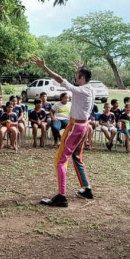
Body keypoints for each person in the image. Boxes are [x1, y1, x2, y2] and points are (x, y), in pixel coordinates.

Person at [30, 56, 94, 207]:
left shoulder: (80, 91)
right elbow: (77, 79)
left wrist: (44, 68)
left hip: (75, 127)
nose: (75, 78)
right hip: (83, 126)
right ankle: (87, 188)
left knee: (60, 160)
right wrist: (80, 68)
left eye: (77, 76)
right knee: (76, 157)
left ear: (82, 78)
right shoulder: (90, 88)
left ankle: (61, 196)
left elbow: (60, 79)